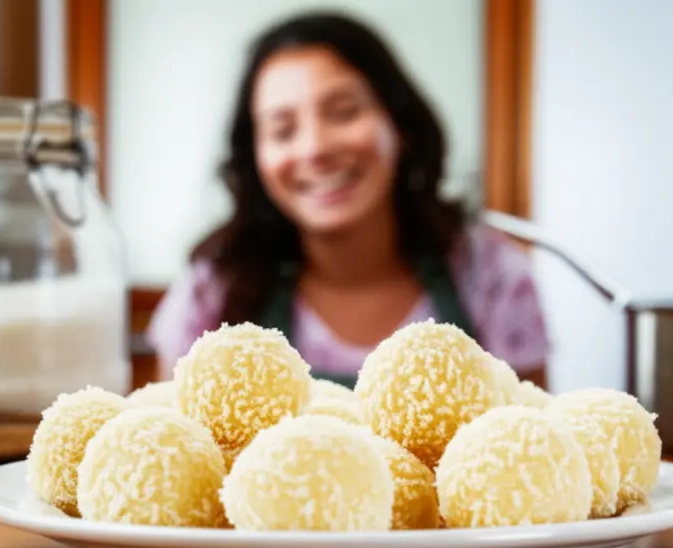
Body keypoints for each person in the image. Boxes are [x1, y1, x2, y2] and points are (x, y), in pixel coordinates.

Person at [147, 11, 549, 388]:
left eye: (343, 112)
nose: (315, 149)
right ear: (255, 158)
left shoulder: (491, 277)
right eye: (283, 130)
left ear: (400, 125)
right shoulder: (212, 292)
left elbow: (528, 446)